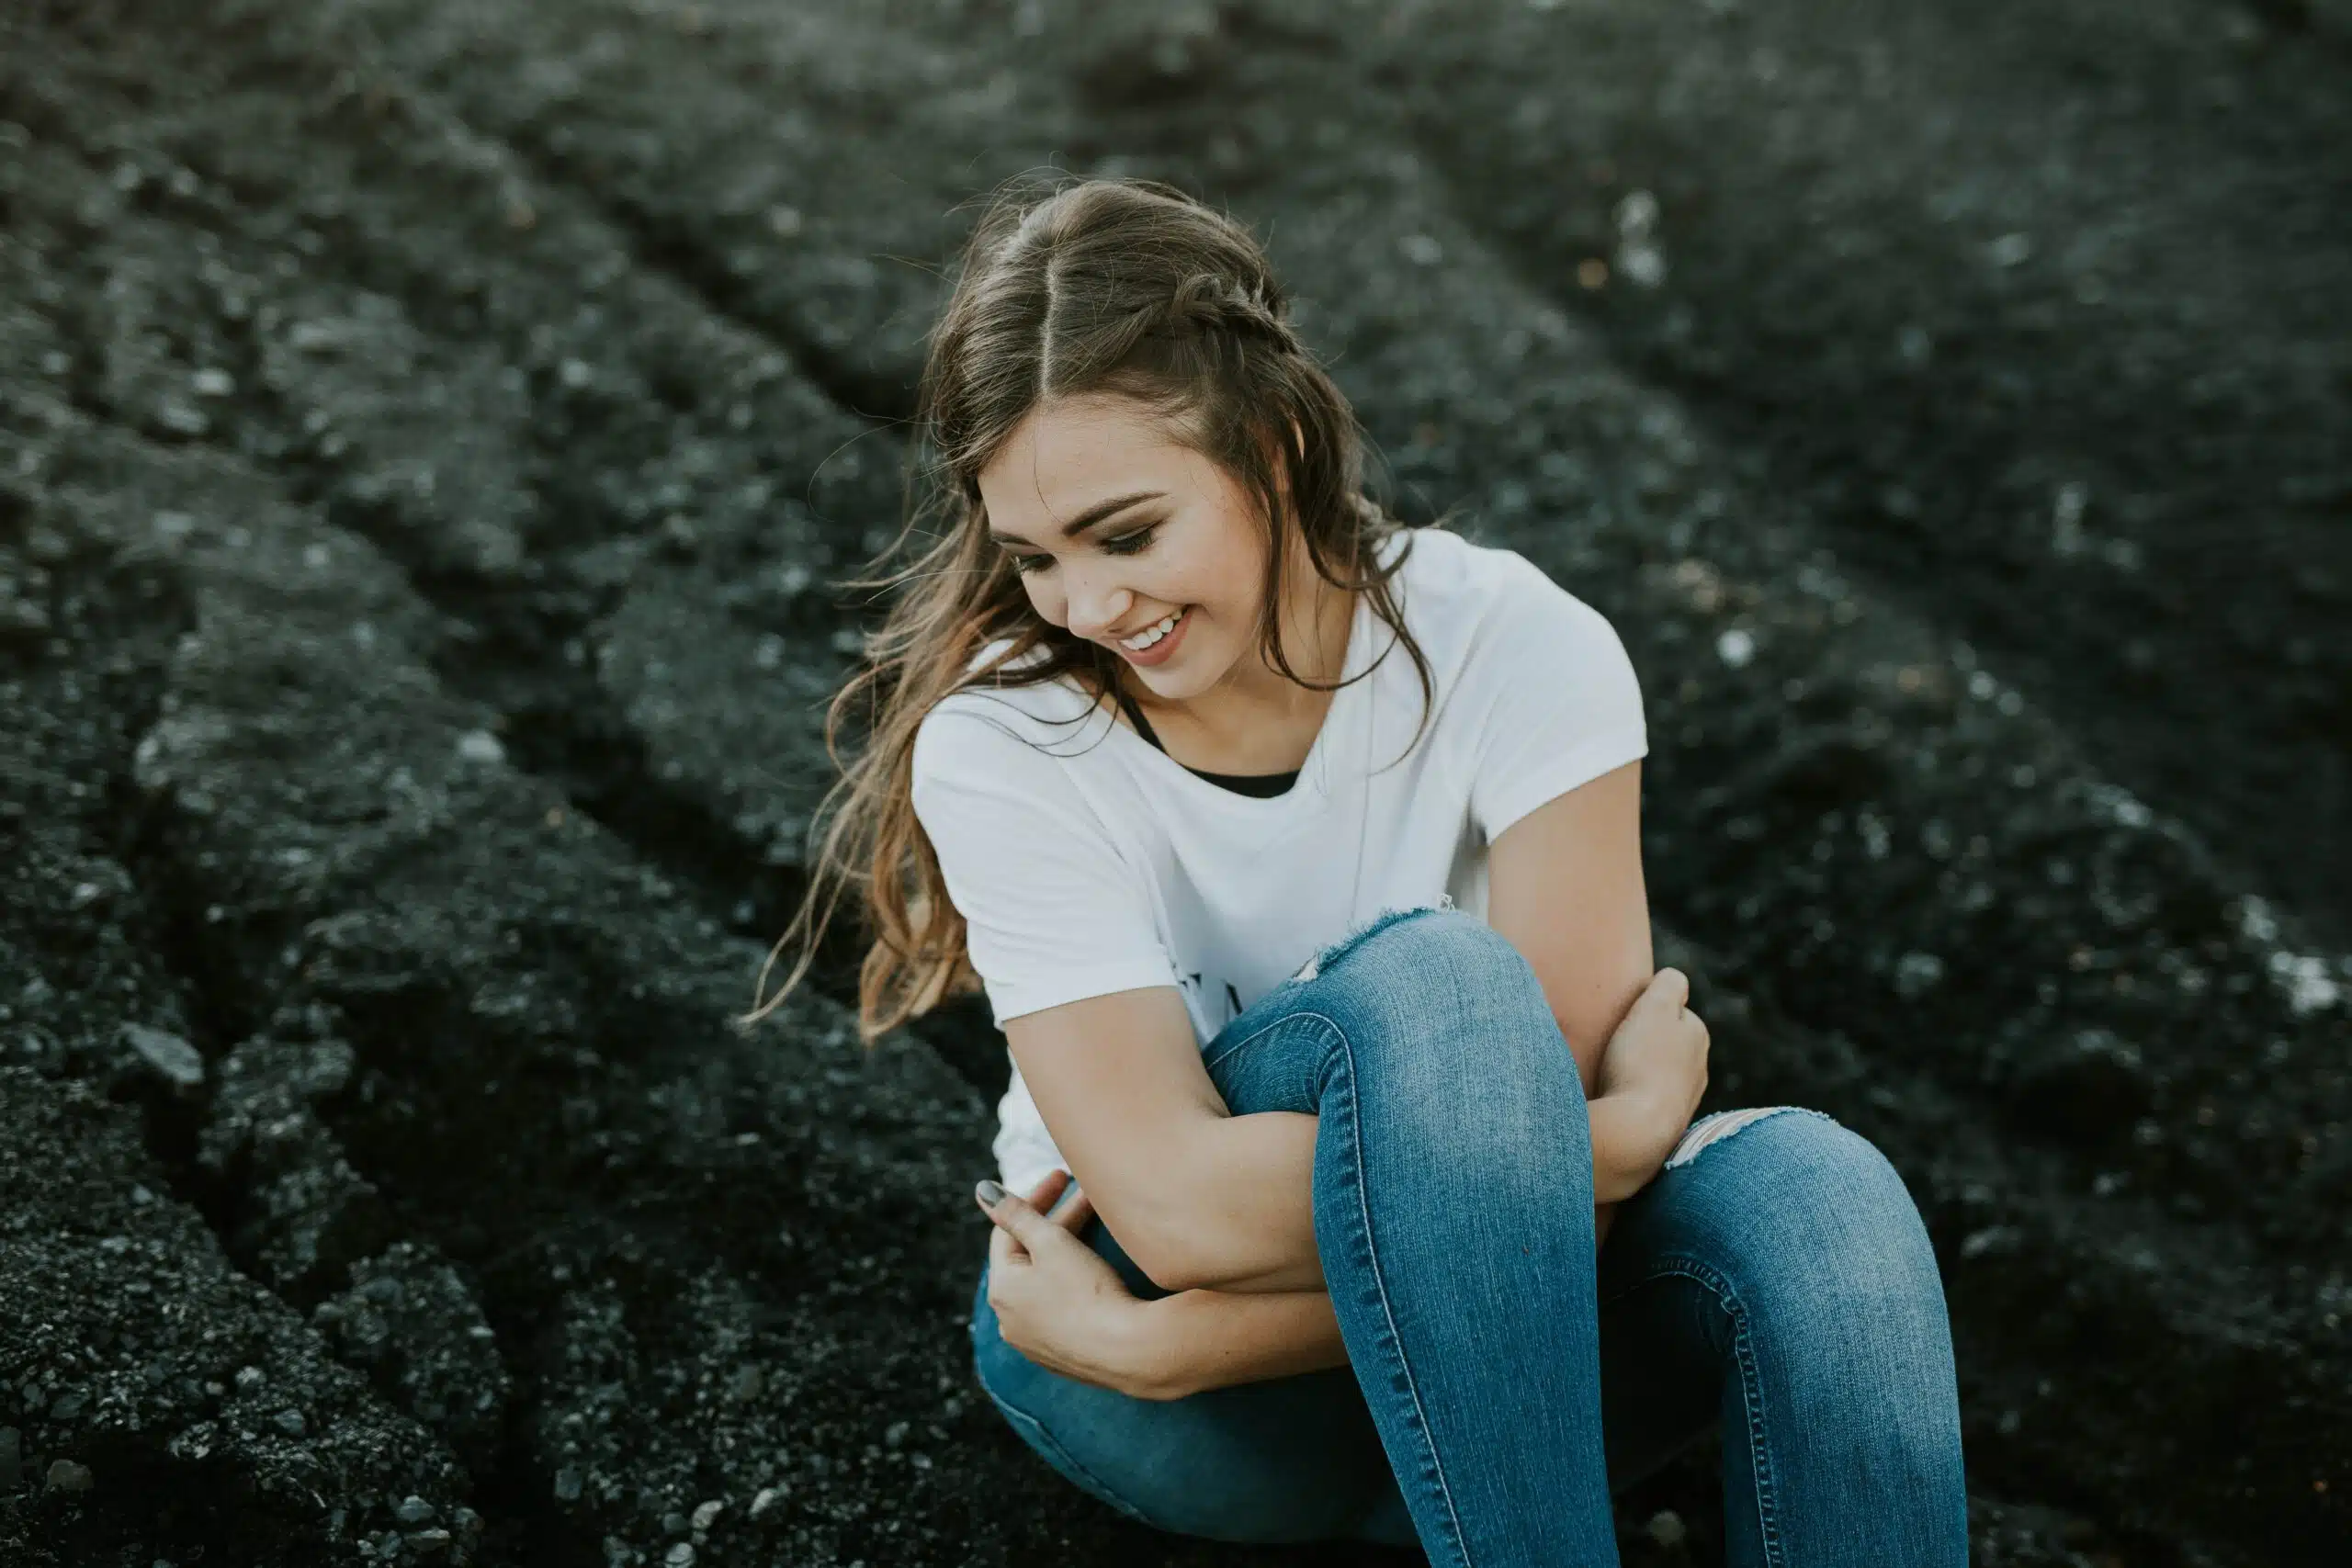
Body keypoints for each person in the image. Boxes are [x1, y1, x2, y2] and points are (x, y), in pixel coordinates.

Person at [747, 175, 1968, 1565]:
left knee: (1823, 1199)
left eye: (1128, 533)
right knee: (1444, 990)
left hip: (1488, 1364)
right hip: (1184, 1393)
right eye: (1034, 556)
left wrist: (1199, 1333)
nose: (1087, 606)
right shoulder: (1007, 739)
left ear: (1270, 447)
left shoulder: (1517, 643)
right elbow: (1181, 1209)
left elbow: (1559, 1196)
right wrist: (1598, 1144)